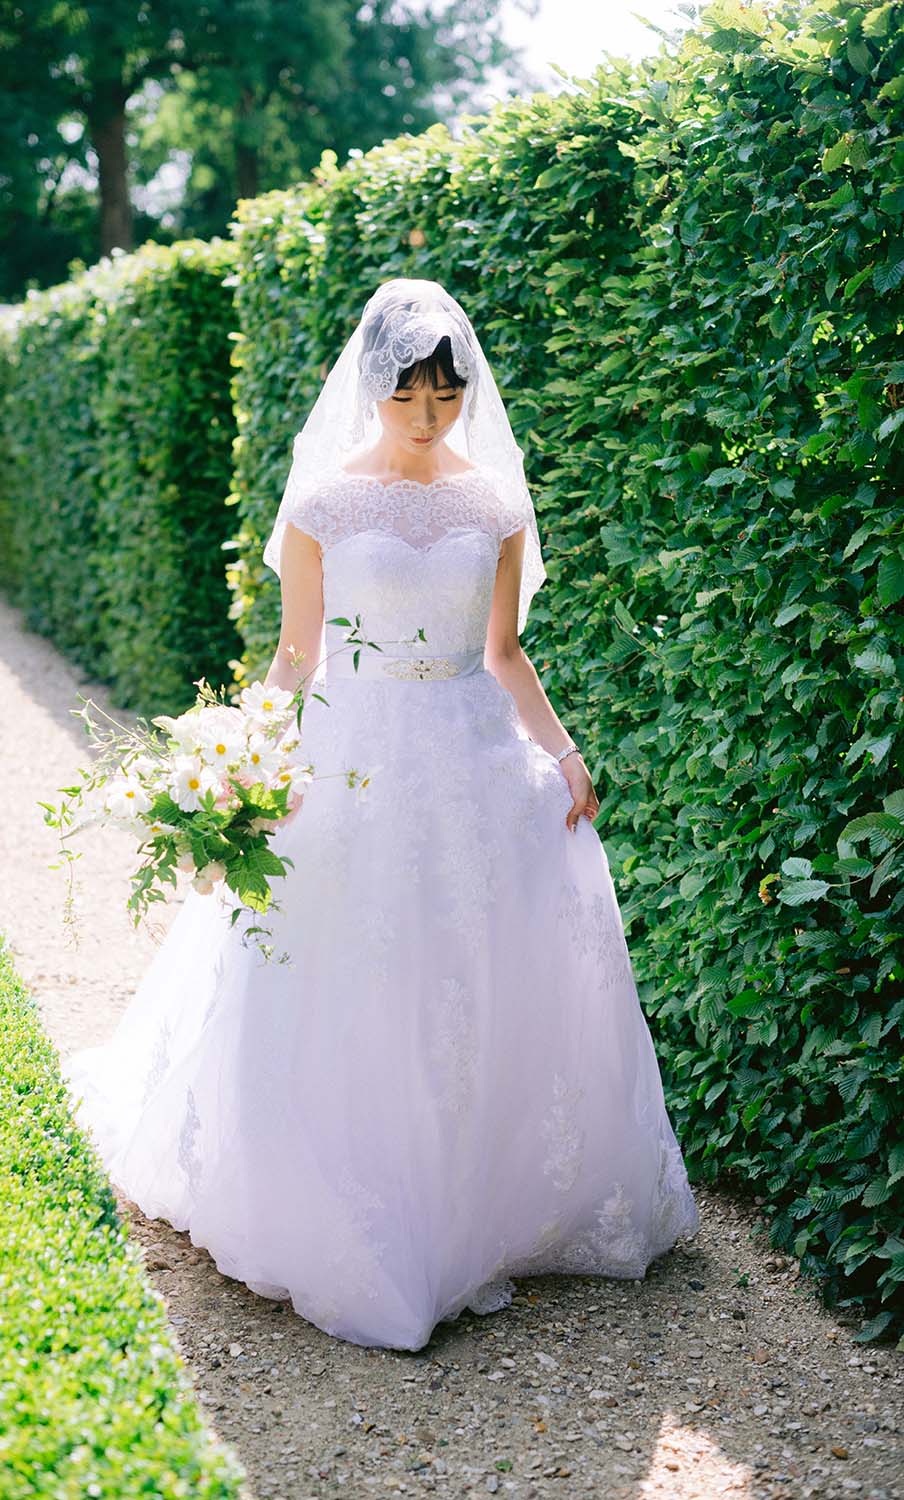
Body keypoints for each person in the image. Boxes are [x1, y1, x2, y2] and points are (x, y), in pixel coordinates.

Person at [63, 276, 699, 1352]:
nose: (425, 419)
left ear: (463, 396)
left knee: (466, 974)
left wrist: (564, 750)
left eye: (443, 401)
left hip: (466, 758)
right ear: (374, 390)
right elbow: (297, 656)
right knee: (346, 966)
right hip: (348, 761)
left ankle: (470, 1204)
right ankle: (347, 1201)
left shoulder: (497, 505)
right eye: (408, 399)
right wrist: (237, 767)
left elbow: (501, 653)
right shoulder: (321, 505)